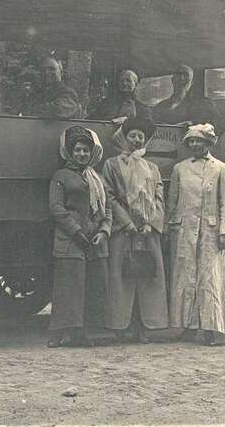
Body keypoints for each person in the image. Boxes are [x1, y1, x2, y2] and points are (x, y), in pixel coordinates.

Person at [100, 116, 168, 343]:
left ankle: (144, 326)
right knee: (121, 277)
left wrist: (150, 223)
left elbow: (159, 199)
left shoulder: (153, 168)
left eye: (141, 136)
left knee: (146, 277)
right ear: (124, 137)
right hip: (123, 230)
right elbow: (108, 197)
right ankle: (120, 326)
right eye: (133, 136)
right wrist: (126, 222)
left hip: (148, 231)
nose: (137, 140)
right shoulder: (111, 165)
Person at [167, 123, 225, 346]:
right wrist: (171, 226)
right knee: (186, 276)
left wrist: (224, 231)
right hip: (184, 230)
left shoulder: (220, 168)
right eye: (191, 141)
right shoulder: (180, 168)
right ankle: (186, 325)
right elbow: (172, 201)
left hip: (210, 231)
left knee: (209, 278)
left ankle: (210, 327)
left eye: (199, 141)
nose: (195, 145)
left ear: (208, 143)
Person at [47, 125, 112, 348]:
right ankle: (58, 333)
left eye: (86, 150)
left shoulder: (98, 178)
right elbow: (56, 208)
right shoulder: (61, 176)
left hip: (94, 241)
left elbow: (107, 208)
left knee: (91, 287)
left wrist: (104, 231)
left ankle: (82, 333)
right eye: (77, 150)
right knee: (67, 288)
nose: (82, 154)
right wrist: (76, 232)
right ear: (70, 152)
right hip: (70, 241)